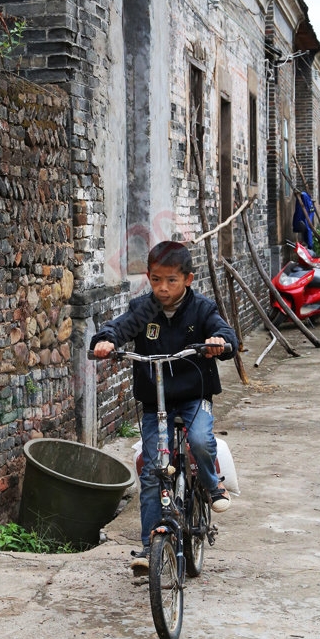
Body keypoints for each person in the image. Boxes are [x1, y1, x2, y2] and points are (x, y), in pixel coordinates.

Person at [90, 241, 239, 574]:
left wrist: (219, 343)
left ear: (187, 278)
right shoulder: (144, 309)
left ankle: (212, 482)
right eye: (156, 279)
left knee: (199, 440)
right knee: (152, 472)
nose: (162, 288)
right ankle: (148, 544)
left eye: (171, 280)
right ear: (148, 277)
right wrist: (106, 340)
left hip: (193, 393)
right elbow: (120, 326)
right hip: (155, 401)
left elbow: (225, 333)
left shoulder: (201, 308)